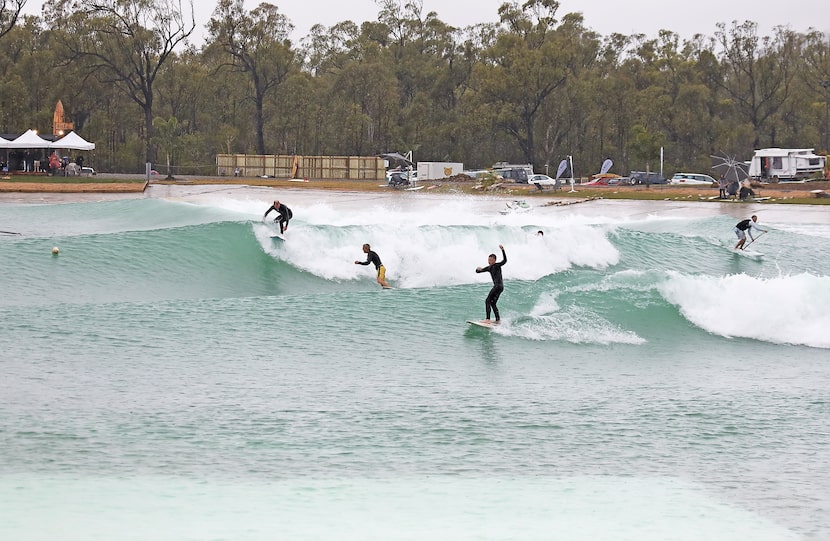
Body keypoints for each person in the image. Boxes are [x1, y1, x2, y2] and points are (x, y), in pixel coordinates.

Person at [475, 244, 507, 323]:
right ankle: (498, 320)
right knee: (493, 303)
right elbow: (479, 271)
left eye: (491, 260)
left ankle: (487, 319)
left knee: (487, 301)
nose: (489, 261)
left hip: (498, 286)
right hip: (500, 287)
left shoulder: (497, 265)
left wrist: (503, 250)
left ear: (494, 260)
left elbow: (505, 261)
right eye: (488, 260)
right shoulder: (489, 268)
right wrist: (478, 269)